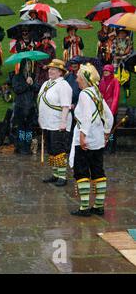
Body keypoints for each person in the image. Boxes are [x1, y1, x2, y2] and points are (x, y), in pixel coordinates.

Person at [69, 63, 114, 217]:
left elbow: (87, 117)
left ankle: (84, 208)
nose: (76, 80)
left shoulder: (84, 94)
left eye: (78, 77)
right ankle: (99, 206)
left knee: (82, 172)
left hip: (85, 140)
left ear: (85, 79)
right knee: (98, 171)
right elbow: (109, 116)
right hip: (98, 140)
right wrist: (106, 132)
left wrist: (83, 135)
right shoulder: (97, 93)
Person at [37, 59, 72, 187]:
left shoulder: (63, 85)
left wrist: (63, 121)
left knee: (59, 149)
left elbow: (66, 105)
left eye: (54, 69)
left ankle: (62, 176)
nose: (50, 71)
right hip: (47, 122)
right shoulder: (46, 83)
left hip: (58, 123)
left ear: (60, 72)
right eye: (50, 69)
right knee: (51, 149)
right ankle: (55, 174)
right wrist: (41, 118)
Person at [12, 58, 39, 154]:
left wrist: (32, 84)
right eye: (26, 64)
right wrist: (26, 84)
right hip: (20, 106)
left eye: (30, 64)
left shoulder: (33, 76)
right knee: (21, 127)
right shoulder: (17, 77)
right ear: (23, 65)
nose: (28, 66)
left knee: (29, 128)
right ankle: (20, 146)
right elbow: (16, 89)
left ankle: (28, 146)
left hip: (30, 106)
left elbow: (37, 88)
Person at [99, 64, 120, 153]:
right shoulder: (102, 80)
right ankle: (104, 145)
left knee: (111, 129)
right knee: (103, 128)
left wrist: (112, 111)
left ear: (111, 72)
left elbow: (116, 96)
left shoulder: (115, 81)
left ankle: (111, 146)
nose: (105, 72)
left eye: (107, 71)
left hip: (111, 109)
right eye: (104, 71)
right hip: (103, 109)